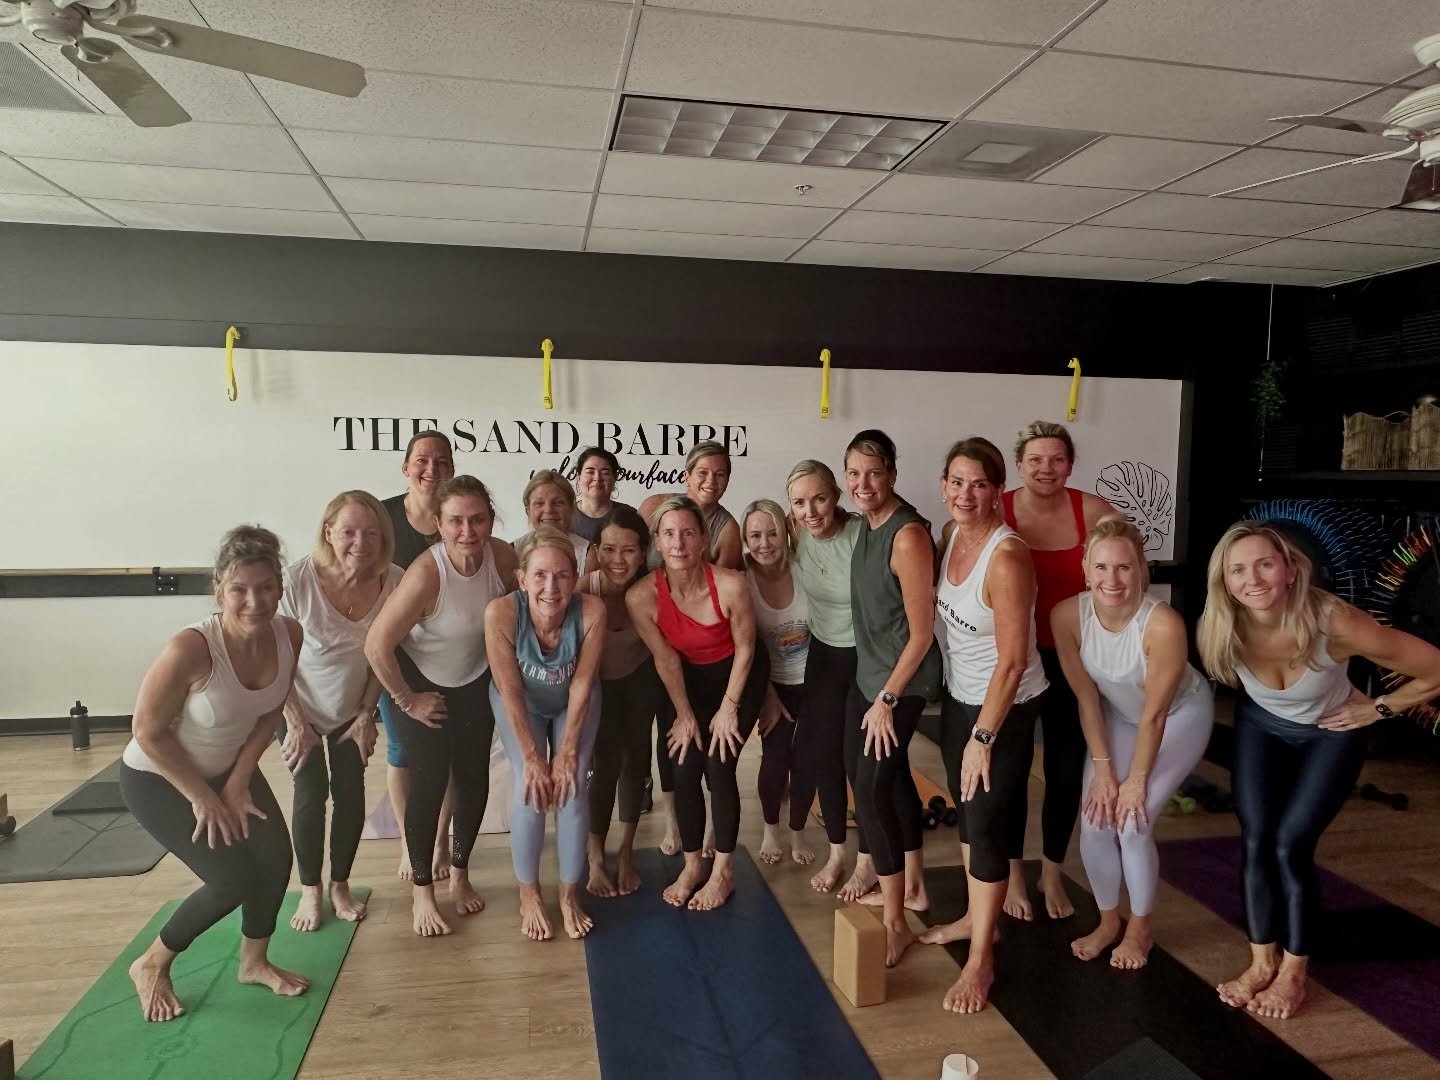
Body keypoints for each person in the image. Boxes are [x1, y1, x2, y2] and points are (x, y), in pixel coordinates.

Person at [1199, 521, 1440, 1019]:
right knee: (1256, 840)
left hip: (1331, 730)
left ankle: (1293, 974)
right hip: (1262, 726)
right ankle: (1261, 963)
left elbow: (1435, 666)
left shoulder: (1336, 621)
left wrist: (1380, 708)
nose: (1252, 579)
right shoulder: (1220, 622)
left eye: (1265, 564)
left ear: (1290, 569)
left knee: (1290, 845)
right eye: (1238, 570)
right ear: (1224, 580)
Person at [120, 526, 306, 1023]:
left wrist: (239, 780)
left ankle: (254, 962)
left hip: (228, 770)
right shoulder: (191, 648)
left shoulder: (289, 634)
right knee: (230, 879)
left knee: (274, 857)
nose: (254, 601)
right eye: (240, 589)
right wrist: (203, 796)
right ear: (219, 590)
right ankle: (151, 963)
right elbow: (147, 731)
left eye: (265, 587)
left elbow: (270, 709)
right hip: (159, 778)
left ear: (280, 587)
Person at [918, 438, 1048, 1014]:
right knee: (970, 816)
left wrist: (983, 736)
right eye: (957, 482)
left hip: (1007, 707)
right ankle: (979, 919)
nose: (965, 494)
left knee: (987, 822)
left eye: (978, 484)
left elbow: (1014, 660)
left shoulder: (1007, 557)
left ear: (998, 491)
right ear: (943, 485)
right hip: (961, 697)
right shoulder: (951, 536)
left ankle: (980, 961)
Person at [1052, 515, 1213, 970]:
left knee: (1132, 821)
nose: (1112, 579)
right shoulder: (1067, 616)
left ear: (1142, 569)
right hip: (1118, 717)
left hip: (1178, 716)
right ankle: (1108, 922)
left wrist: (1135, 781)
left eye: (1124, 567)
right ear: (1085, 570)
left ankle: (1140, 929)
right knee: (1095, 818)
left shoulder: (1163, 625)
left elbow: (1155, 716)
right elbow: (1087, 697)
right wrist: (1104, 772)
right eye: (1101, 567)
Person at [364, 475, 518, 937]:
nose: (467, 531)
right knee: (429, 784)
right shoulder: (427, 573)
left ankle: (461, 874)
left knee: (472, 780)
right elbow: (376, 645)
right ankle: (422, 892)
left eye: (477, 519)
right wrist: (406, 700)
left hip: (473, 679)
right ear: (439, 524)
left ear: (491, 519)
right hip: (422, 681)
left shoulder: (502, 557)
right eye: (456, 521)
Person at [627, 495, 769, 910]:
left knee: (719, 765)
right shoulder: (641, 597)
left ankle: (723, 871)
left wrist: (729, 708)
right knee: (684, 765)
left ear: (704, 539)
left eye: (688, 533)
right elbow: (666, 659)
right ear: (657, 540)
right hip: (688, 681)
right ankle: (692, 865)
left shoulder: (730, 584)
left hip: (739, 674)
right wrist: (685, 715)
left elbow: (746, 649)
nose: (679, 543)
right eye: (669, 533)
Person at [1001, 420, 1114, 920]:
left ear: (1070, 464)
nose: (1046, 468)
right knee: (1011, 770)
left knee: (1065, 771)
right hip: (1016, 658)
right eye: (1036, 459)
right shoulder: (997, 509)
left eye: (1057, 459)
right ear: (1019, 464)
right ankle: (1011, 874)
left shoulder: (1095, 512)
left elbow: (1127, 571)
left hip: (1074, 659)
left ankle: (1051, 872)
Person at [277, 491, 400, 932]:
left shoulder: (394, 580)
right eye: (348, 532)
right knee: (311, 792)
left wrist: (367, 713)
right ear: (329, 532)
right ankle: (310, 889)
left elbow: (384, 654)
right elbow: (275, 661)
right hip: (297, 704)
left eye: (371, 533)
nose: (359, 543)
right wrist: (296, 721)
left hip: (354, 706)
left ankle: (340, 885)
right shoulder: (295, 582)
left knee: (350, 793)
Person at [844, 429, 942, 966]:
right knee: (896, 778)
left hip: (901, 684)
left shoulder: (907, 536)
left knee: (871, 790)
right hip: (873, 679)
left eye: (874, 473)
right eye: (854, 473)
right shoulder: (866, 523)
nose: (863, 483)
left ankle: (896, 923)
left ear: (893, 476)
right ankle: (915, 889)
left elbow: (922, 634)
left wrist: (886, 699)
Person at [486, 526, 606, 940]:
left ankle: (569, 896)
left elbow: (582, 684)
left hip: (574, 700)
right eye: (539, 575)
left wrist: (567, 753)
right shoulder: (501, 613)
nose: (551, 587)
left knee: (573, 786)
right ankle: (530, 894)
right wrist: (534, 758)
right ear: (522, 579)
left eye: (561, 576)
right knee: (530, 786)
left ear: (575, 578)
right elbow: (510, 690)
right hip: (521, 703)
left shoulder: (591, 611)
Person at [638, 440, 744, 854]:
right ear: (686, 474)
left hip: (702, 650)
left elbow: (716, 598)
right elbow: (627, 559)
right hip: (656, 641)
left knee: (710, 755)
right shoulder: (655, 506)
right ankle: (674, 825)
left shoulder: (727, 528)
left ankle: (714, 836)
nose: (711, 481)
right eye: (703, 472)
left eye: (721, 474)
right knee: (670, 741)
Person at [378, 429, 457, 882]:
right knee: (402, 751)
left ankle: (439, 839)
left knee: (446, 756)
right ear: (406, 467)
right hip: (395, 656)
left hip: (449, 655)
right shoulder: (383, 518)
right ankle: (413, 844)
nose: (432, 469)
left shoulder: (457, 516)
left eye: (442, 461)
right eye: (423, 460)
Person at [787, 460, 864, 895]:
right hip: (823, 655)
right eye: (800, 503)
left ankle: (869, 860)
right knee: (824, 758)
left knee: (860, 763)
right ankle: (837, 853)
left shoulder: (861, 534)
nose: (810, 511)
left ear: (836, 496)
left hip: (864, 659)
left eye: (819, 499)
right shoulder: (796, 533)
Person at [582, 507, 660, 897]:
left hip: (639, 678)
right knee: (605, 765)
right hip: (597, 684)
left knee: (635, 761)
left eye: (629, 551)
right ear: (596, 551)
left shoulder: (652, 588)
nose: (618, 560)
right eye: (609, 550)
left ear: (643, 552)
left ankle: (627, 853)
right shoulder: (583, 589)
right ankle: (596, 857)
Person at [742, 498, 813, 867]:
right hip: (771, 684)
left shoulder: (804, 568)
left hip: (813, 680)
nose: (764, 543)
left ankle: (798, 830)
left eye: (772, 534)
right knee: (776, 757)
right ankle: (771, 829)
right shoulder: (742, 581)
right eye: (755, 535)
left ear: (785, 534)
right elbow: (746, 646)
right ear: (745, 539)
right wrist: (767, 695)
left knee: (807, 759)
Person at [515, 470, 597, 574]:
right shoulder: (512, 552)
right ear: (528, 511)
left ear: (571, 509)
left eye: (558, 502)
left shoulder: (588, 555)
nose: (548, 510)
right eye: (539, 503)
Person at [571, 446, 636, 543]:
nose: (597, 478)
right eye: (590, 472)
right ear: (578, 477)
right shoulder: (564, 516)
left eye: (605, 473)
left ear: (615, 477)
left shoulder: (631, 516)